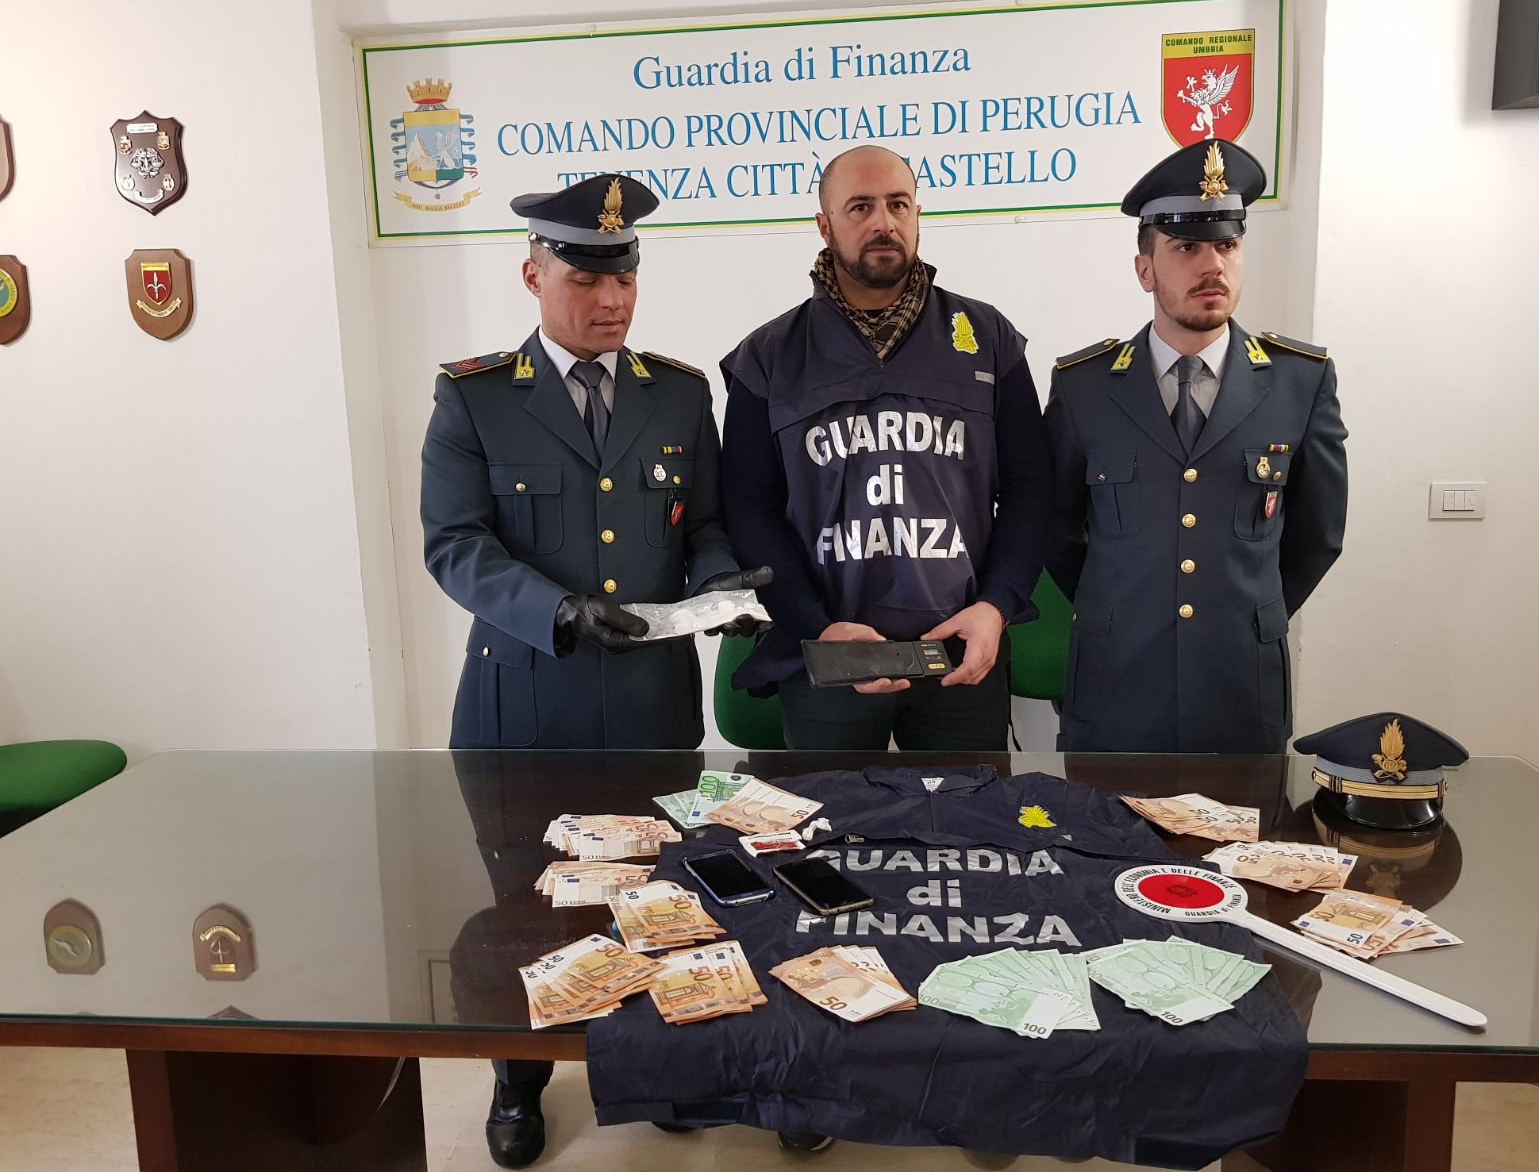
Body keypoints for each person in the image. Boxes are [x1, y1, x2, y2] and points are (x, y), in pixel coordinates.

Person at [420, 173, 769, 1168]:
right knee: (526, 906)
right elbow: (455, 545)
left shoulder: (678, 393)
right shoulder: (476, 396)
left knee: (655, 897)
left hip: (651, 707)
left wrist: (720, 581)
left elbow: (701, 526)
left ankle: (655, 1067)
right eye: (586, 280)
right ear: (533, 275)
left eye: (625, 278)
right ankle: (519, 1076)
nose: (611, 301)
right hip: (522, 712)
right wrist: (561, 612)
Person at [719, 144, 1052, 757]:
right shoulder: (767, 356)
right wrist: (814, 626)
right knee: (829, 820)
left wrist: (996, 606)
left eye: (898, 205)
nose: (883, 222)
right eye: (860, 207)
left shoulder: (988, 338)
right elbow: (748, 509)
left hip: (961, 652)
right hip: (827, 655)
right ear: (825, 226)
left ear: (917, 215)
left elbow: (1032, 489)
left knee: (968, 816)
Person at [1045, 139, 1348, 755]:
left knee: (1245, 821)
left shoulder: (1301, 381)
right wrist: (1120, 605)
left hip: (1240, 682)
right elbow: (1053, 528)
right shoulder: (1084, 388)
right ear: (1145, 270)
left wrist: (1247, 611)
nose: (1213, 265)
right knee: (1105, 818)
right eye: (1186, 247)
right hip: (1116, 682)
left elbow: (1318, 535)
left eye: (1227, 246)